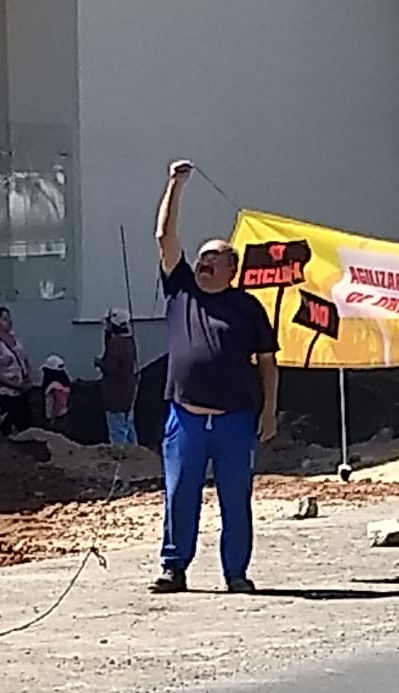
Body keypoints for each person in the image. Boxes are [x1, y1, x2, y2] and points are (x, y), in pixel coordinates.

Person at [152, 159, 279, 595]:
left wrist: (270, 412)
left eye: (213, 259)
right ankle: (174, 567)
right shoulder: (181, 289)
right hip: (185, 417)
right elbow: (164, 237)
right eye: (201, 258)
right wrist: (176, 184)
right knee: (179, 495)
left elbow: (267, 362)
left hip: (235, 420)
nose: (203, 264)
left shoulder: (248, 308)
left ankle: (236, 574)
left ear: (232, 269)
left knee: (235, 500)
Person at [0, 305, 33, 436]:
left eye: (9, 318)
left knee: (26, 426)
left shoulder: (15, 339)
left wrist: (29, 377)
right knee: (3, 428)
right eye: (4, 319)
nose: (9, 321)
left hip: (20, 392)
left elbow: (24, 359)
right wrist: (14, 384)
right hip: (2, 394)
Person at [96, 307, 138, 446]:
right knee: (129, 425)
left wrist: (99, 363)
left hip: (115, 395)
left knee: (117, 430)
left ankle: (121, 456)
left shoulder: (116, 344)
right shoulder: (129, 341)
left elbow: (111, 368)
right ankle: (136, 455)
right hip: (128, 391)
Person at [41, 354, 72, 430]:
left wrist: (52, 419)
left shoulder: (54, 385)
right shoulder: (64, 385)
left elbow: (56, 403)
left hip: (56, 417)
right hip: (63, 414)